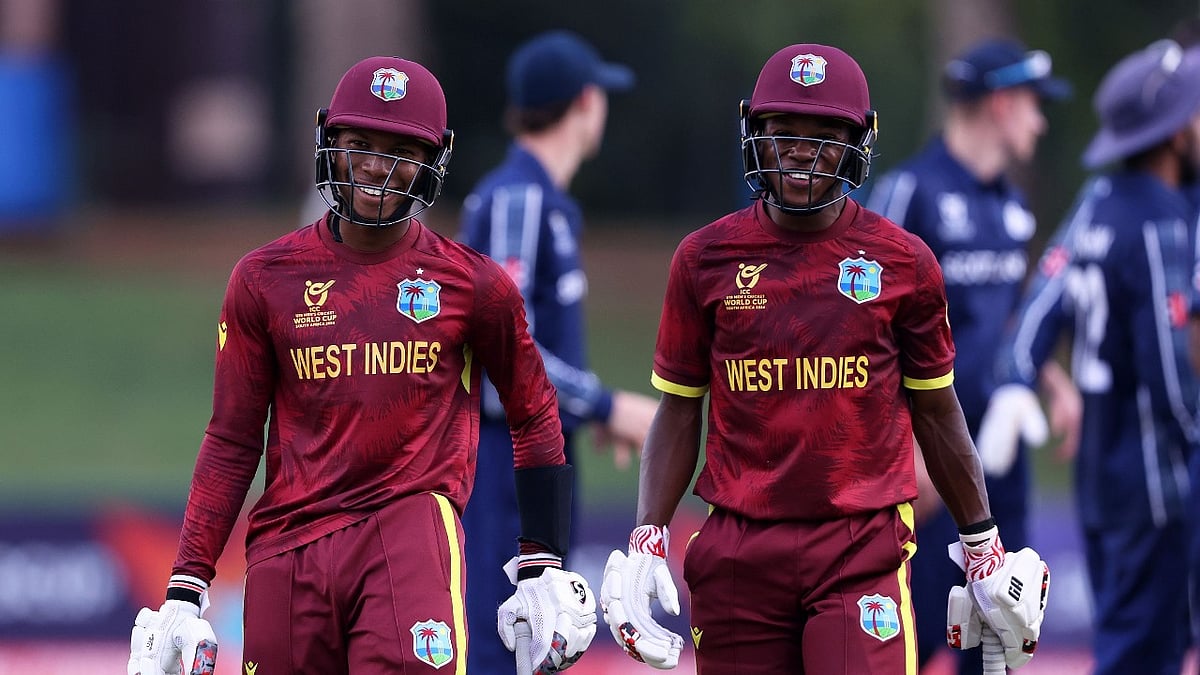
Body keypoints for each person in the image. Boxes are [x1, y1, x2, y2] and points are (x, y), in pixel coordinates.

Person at [125, 55, 598, 675]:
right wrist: (187, 587)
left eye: (400, 149)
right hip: (287, 548)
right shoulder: (262, 278)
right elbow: (232, 438)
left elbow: (534, 412)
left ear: (435, 158)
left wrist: (542, 562)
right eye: (359, 144)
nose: (376, 166)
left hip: (408, 535)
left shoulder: (472, 284)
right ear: (328, 143)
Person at [596, 43, 1049, 673]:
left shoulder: (904, 261)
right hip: (738, 550)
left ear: (860, 140)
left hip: (858, 549)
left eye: (825, 134)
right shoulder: (703, 259)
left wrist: (982, 541)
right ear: (754, 133)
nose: (802, 150)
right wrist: (649, 534)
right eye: (783, 131)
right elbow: (678, 411)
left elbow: (938, 412)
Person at [864, 38, 1081, 673]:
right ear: (1001, 103)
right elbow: (861, 325)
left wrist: (1054, 382)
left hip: (999, 465)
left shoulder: (1011, 208)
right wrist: (900, 446)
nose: (1040, 122)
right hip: (927, 470)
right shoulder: (911, 194)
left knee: (1002, 642)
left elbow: (1009, 320)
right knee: (908, 637)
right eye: (1034, 105)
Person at [983, 39, 1200, 674]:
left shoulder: (1096, 203)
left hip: (1100, 484)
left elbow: (1037, 307)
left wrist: (1016, 377)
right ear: (1175, 133)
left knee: (1127, 638)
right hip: (1160, 484)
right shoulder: (1163, 222)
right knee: (1144, 654)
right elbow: (1167, 367)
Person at [457, 30, 659, 675]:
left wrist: (576, 412)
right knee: (506, 636)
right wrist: (605, 406)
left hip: (537, 459)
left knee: (543, 640)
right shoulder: (521, 197)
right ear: (583, 103)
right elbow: (501, 353)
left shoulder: (550, 202)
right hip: (504, 464)